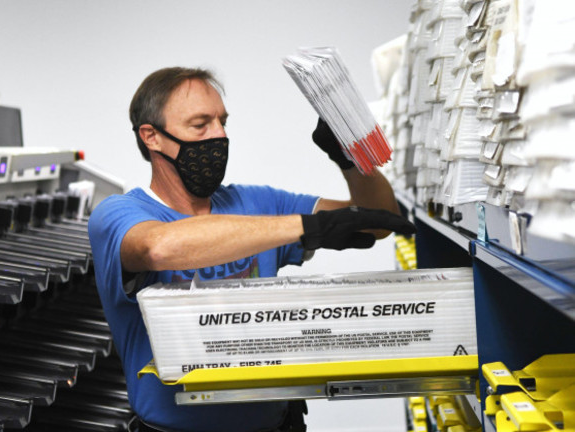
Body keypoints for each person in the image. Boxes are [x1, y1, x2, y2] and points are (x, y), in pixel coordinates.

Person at [88, 66, 415, 432]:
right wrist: (305, 226)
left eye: (222, 122)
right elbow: (158, 247)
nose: (220, 135)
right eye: (201, 125)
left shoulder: (257, 202)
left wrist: (351, 159)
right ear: (152, 137)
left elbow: (379, 219)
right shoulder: (118, 214)